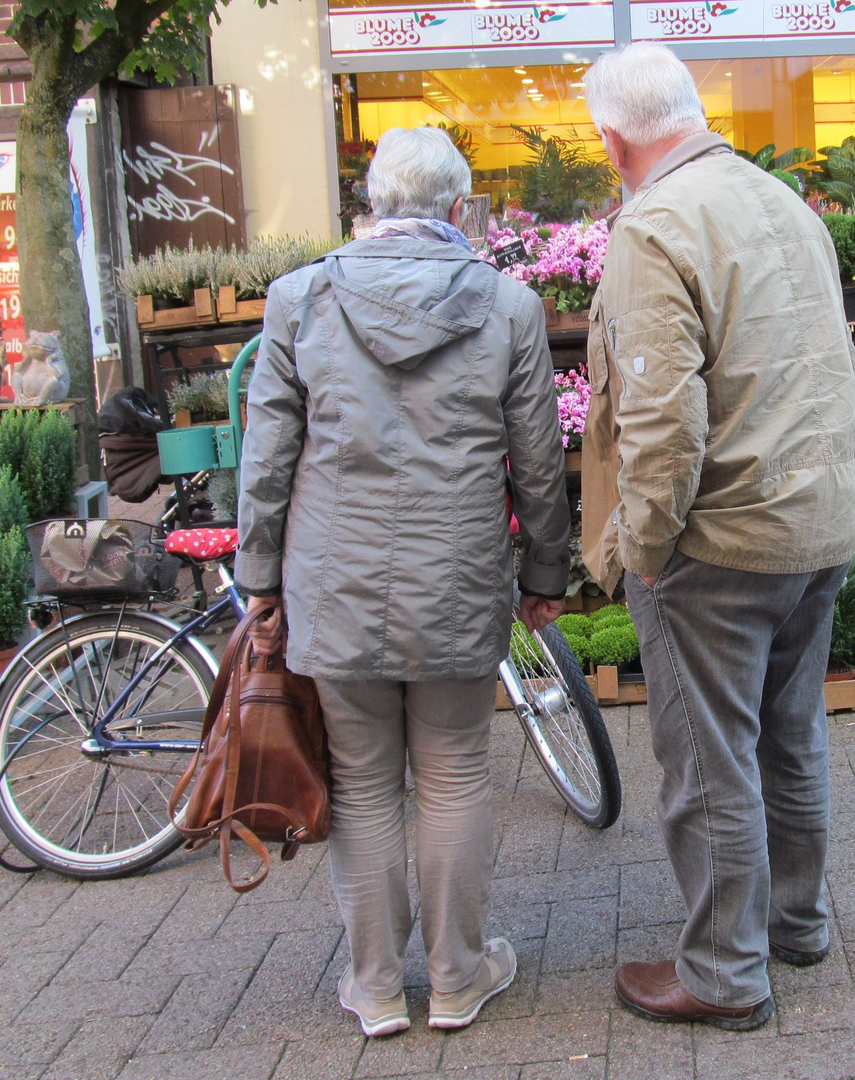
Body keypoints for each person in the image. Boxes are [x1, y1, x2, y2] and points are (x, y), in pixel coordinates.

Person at [234, 126, 570, 1038]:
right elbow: (538, 461)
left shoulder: (298, 300)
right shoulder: (508, 307)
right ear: (458, 210)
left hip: (331, 577)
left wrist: (259, 576)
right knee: (456, 774)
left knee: (363, 782)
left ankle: (377, 986)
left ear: (371, 204)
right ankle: (459, 977)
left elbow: (267, 456)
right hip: (455, 572)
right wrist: (546, 568)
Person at [580, 43, 855, 1031]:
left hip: (721, 542)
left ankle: (722, 973)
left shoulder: (655, 226)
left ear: (612, 140)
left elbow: (664, 419)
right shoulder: (784, 205)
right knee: (789, 739)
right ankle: (796, 925)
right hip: (814, 522)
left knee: (708, 764)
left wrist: (645, 549)